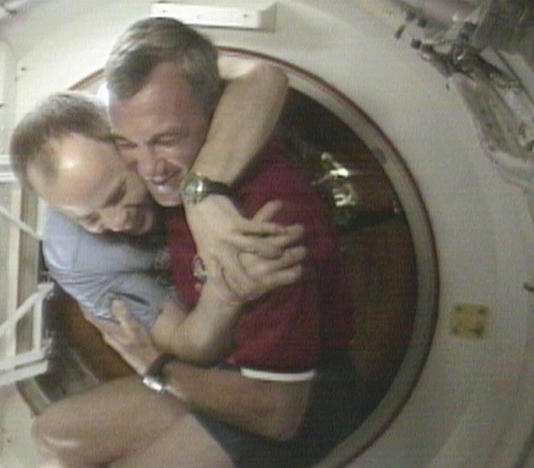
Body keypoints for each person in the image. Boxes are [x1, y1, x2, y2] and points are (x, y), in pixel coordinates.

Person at [66, 17, 359, 467]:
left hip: (292, 402)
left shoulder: (260, 224)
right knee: (53, 438)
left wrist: (157, 367)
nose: (148, 168)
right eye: (127, 143)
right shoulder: (176, 179)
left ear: (214, 112)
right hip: (221, 369)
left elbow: (278, 414)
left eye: (165, 140)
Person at [12, 92, 305, 365]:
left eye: (117, 195)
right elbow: (190, 344)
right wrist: (227, 291)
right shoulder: (78, 261)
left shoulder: (153, 112)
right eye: (90, 220)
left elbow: (263, 82)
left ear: (129, 143)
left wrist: (201, 192)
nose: (117, 222)